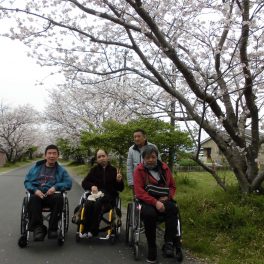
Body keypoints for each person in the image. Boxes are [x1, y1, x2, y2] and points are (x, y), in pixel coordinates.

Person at [133, 145, 182, 263]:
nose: (150, 160)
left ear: (157, 157)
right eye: (147, 157)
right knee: (149, 214)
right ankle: (152, 247)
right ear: (143, 158)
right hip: (147, 200)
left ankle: (169, 243)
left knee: (173, 209)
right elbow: (139, 192)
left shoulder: (164, 168)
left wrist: (168, 196)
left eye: (153, 157)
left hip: (164, 199)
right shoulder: (139, 170)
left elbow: (172, 186)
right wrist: (155, 202)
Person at [24, 144, 72, 241]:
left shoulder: (61, 171)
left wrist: (55, 187)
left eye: (54, 153)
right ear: (45, 155)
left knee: (59, 198)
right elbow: (27, 181)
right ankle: (39, 229)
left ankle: (52, 228)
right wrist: (35, 190)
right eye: (49, 153)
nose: (52, 156)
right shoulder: (36, 168)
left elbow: (68, 183)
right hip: (38, 195)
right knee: (32, 198)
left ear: (58, 156)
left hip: (53, 196)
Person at [81, 149, 124, 238]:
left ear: (107, 157)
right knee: (88, 204)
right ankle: (86, 229)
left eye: (103, 156)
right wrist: (92, 186)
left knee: (98, 203)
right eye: (99, 157)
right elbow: (84, 183)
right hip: (95, 195)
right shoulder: (94, 170)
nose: (101, 158)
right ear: (97, 159)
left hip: (109, 199)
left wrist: (119, 181)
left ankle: (93, 230)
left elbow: (120, 188)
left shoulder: (114, 170)